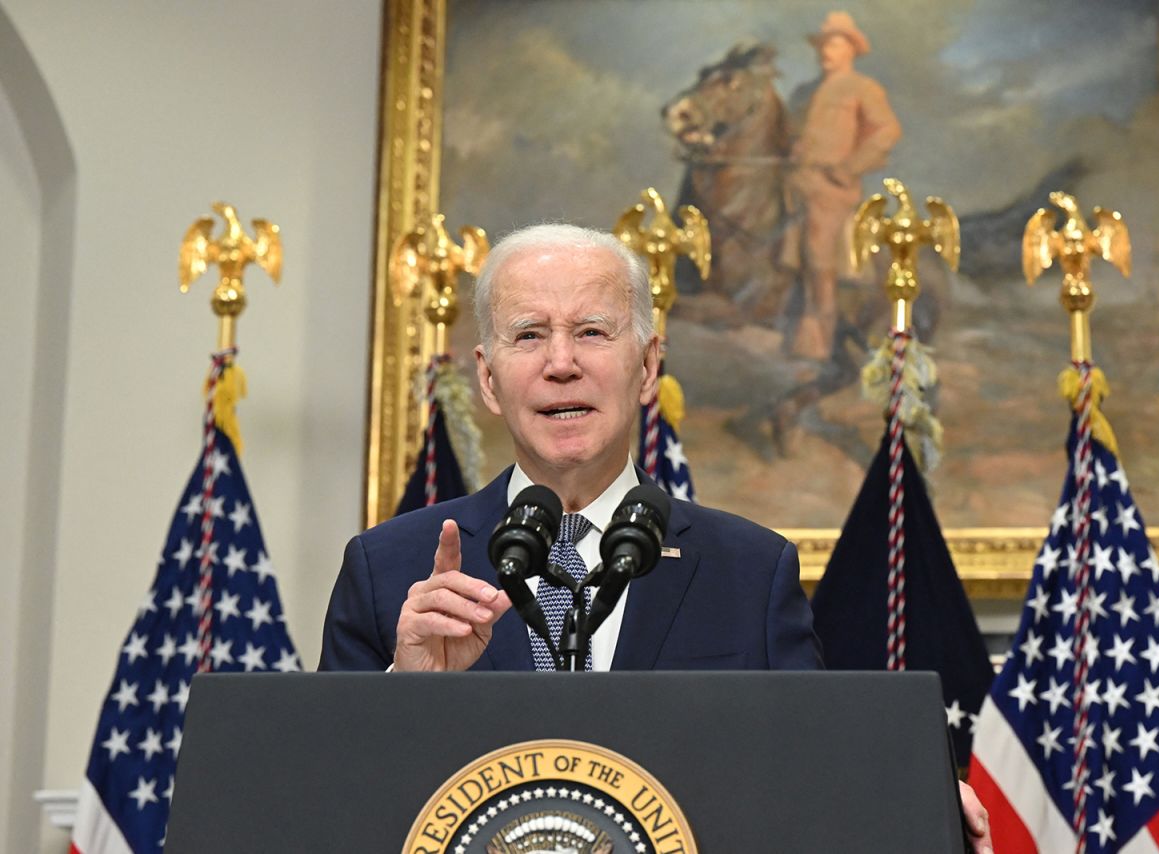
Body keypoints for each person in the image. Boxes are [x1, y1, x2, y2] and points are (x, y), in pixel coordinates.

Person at [317, 223, 992, 852]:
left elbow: (807, 782)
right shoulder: (390, 568)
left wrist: (908, 804)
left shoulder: (751, 574)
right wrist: (401, 691)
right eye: (528, 335)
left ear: (647, 367)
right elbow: (320, 805)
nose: (560, 362)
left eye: (591, 331)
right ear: (489, 380)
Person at [784, 10, 901, 361]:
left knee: (818, 253)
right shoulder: (805, 92)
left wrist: (850, 167)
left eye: (834, 44)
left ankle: (819, 337)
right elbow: (792, 134)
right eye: (823, 44)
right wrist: (794, 148)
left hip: (832, 189)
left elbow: (887, 131)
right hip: (794, 184)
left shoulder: (863, 88)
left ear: (851, 49)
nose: (825, 51)